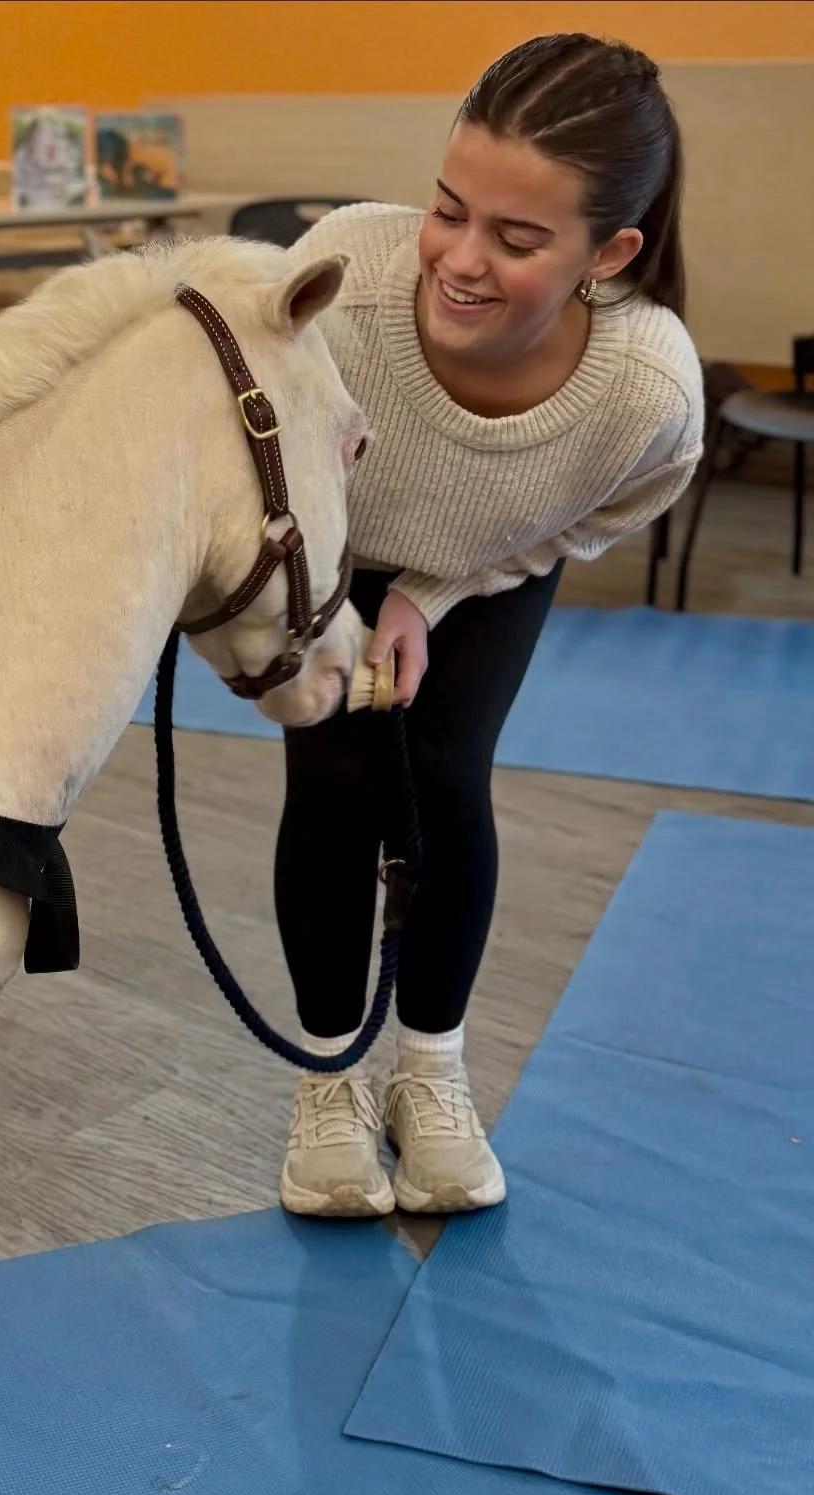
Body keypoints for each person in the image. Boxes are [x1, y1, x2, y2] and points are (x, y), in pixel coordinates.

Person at [276, 33, 704, 1218]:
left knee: (446, 772)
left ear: (606, 253)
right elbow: (254, 445)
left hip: (492, 557)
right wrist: (315, 605)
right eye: (449, 211)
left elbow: (612, 507)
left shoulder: (646, 392)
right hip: (334, 545)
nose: (460, 262)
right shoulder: (344, 281)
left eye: (516, 241)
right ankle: (329, 1077)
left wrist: (441, 593)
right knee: (336, 784)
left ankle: (431, 1072)